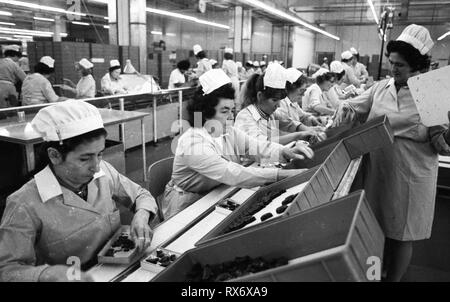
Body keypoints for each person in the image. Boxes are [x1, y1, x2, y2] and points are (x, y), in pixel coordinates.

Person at [333, 24, 450, 282]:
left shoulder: (431, 90)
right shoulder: (381, 87)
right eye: (391, 63)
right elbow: (355, 106)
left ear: (416, 65)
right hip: (378, 169)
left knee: (401, 233)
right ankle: (374, 276)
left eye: (400, 65)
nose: (392, 69)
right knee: (375, 229)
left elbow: (441, 143)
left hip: (410, 174)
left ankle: (393, 279)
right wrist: (344, 110)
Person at [0, 100, 158, 282]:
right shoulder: (24, 203)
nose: (96, 166)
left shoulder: (103, 172)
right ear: (54, 155)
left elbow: (140, 195)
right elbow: (7, 270)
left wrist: (141, 215)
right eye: (85, 158)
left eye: (100, 154)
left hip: (117, 267)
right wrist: (45, 274)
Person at [161, 69, 314, 219]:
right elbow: (232, 173)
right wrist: (281, 175)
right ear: (206, 111)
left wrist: (285, 152)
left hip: (216, 192)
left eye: (232, 110)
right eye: (224, 111)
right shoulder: (192, 142)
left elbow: (255, 146)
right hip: (186, 204)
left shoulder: (227, 130)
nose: (231, 117)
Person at [235, 63, 324, 145]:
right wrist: (298, 136)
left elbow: (290, 123)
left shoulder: (271, 114)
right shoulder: (245, 117)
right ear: (260, 96)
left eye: (279, 100)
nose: (278, 105)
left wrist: (306, 129)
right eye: (274, 100)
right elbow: (261, 145)